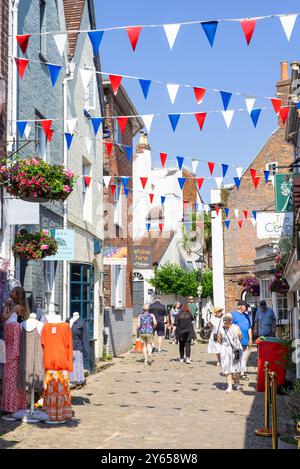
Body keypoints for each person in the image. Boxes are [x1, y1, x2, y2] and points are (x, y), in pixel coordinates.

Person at [218, 313, 244, 393]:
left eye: (227, 321)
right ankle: (229, 386)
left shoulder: (236, 327)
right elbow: (219, 339)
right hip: (226, 349)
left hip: (236, 349)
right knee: (227, 367)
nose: (225, 322)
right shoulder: (221, 329)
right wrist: (226, 345)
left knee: (238, 367)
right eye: (224, 321)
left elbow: (240, 336)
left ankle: (237, 382)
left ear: (231, 321)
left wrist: (235, 345)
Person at [232, 300, 252, 380]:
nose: (246, 308)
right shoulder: (233, 315)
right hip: (236, 341)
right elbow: (230, 328)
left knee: (244, 358)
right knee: (236, 357)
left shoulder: (246, 316)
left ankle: (242, 373)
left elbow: (249, 328)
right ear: (240, 306)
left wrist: (250, 339)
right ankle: (234, 372)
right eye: (245, 306)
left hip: (245, 341)